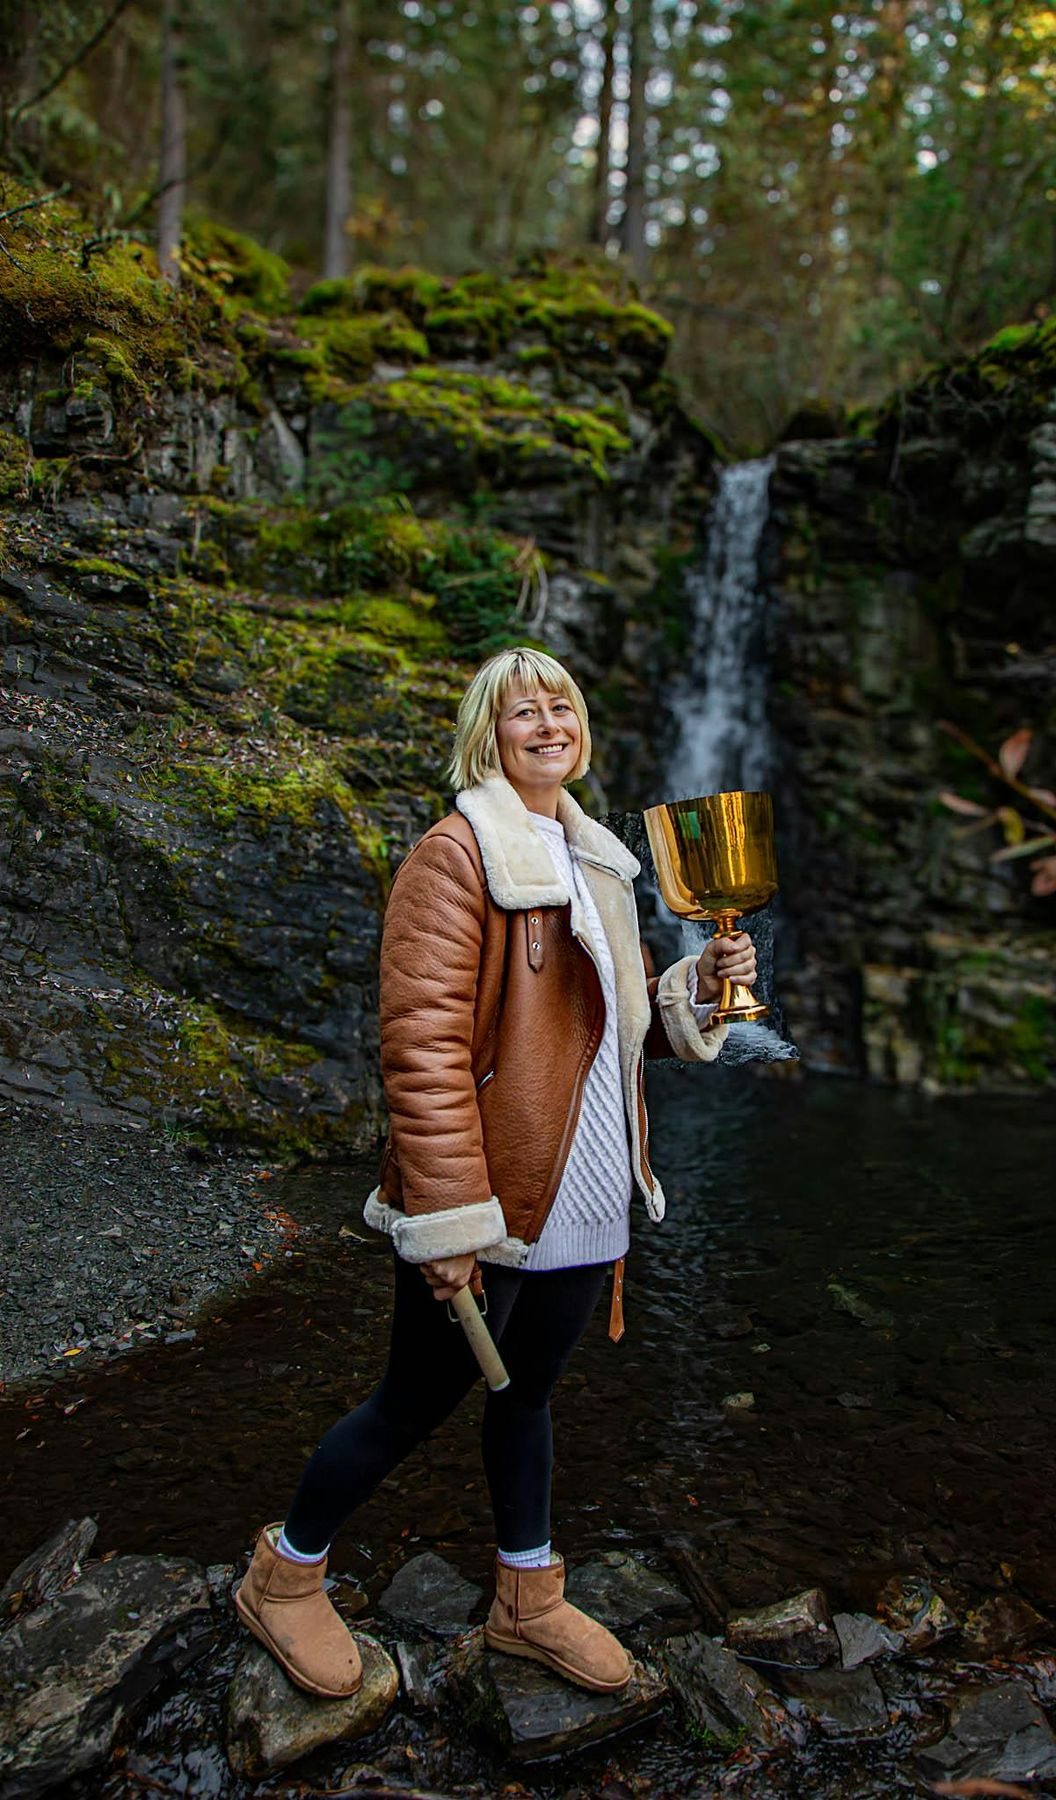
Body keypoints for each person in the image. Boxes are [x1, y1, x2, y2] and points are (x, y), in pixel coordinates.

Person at [235, 646, 757, 1701]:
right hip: (493, 1195)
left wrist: (701, 989)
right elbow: (421, 1047)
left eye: (560, 702)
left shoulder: (601, 861)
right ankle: (284, 1577)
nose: (547, 721)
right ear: (489, 736)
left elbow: (609, 1032)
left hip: (592, 1189)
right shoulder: (455, 854)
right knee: (415, 1401)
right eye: (522, 711)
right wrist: (448, 1215)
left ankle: (527, 1597)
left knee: (531, 1397)